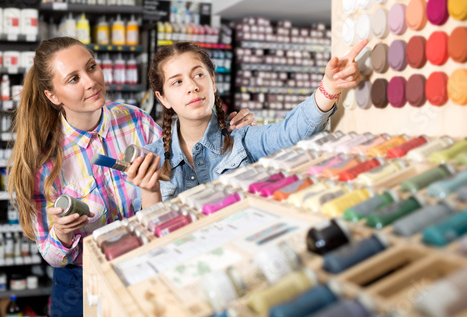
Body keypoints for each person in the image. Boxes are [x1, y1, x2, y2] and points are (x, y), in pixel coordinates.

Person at [6, 37, 255, 317]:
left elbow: (181, 173)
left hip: (147, 267)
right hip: (81, 284)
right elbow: (52, 255)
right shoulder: (45, 162)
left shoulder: (135, 120)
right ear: (53, 95)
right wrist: (60, 233)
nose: (91, 81)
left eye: (92, 67)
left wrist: (228, 136)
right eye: (74, 79)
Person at [127, 40, 368, 204]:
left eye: (198, 74)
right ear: (163, 98)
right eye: (177, 82)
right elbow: (150, 237)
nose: (192, 86)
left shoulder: (242, 138)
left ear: (212, 80)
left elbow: (289, 134)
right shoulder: (150, 160)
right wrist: (150, 190)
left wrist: (329, 86)